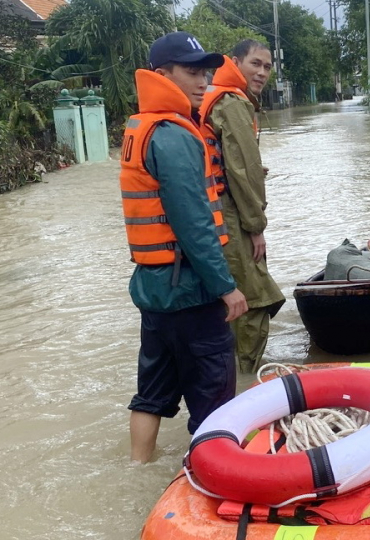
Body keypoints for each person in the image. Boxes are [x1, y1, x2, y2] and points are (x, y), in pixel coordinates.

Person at [119, 31, 248, 463]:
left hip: (154, 288)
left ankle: (137, 470)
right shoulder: (174, 136)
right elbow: (193, 225)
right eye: (192, 71)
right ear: (162, 74)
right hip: (190, 290)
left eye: (206, 72)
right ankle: (211, 481)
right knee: (214, 396)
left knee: (151, 392)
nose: (203, 81)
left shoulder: (141, 127)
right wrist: (227, 287)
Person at [198, 40, 285, 374]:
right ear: (235, 62)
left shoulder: (212, 96)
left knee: (229, 296)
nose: (262, 72)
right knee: (254, 299)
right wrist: (256, 227)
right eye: (255, 64)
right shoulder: (233, 102)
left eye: (267, 66)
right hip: (230, 217)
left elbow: (223, 158)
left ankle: (229, 372)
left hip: (211, 214)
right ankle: (246, 378)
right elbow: (242, 169)